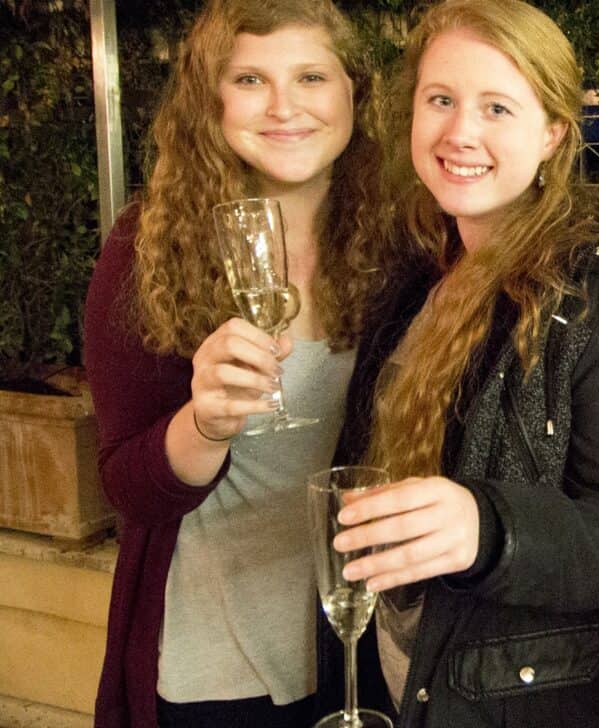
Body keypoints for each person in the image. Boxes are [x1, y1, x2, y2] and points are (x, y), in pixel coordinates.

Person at [325, 1, 599, 726]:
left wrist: (488, 528)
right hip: (411, 687)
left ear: (554, 131)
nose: (461, 131)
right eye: (441, 100)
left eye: (498, 107)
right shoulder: (419, 276)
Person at [83, 0, 388, 725]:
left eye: (311, 76)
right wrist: (205, 424)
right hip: (217, 662)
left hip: (362, 650)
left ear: (354, 91)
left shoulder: (402, 244)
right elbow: (128, 487)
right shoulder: (147, 251)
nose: (285, 106)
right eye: (250, 79)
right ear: (209, 99)